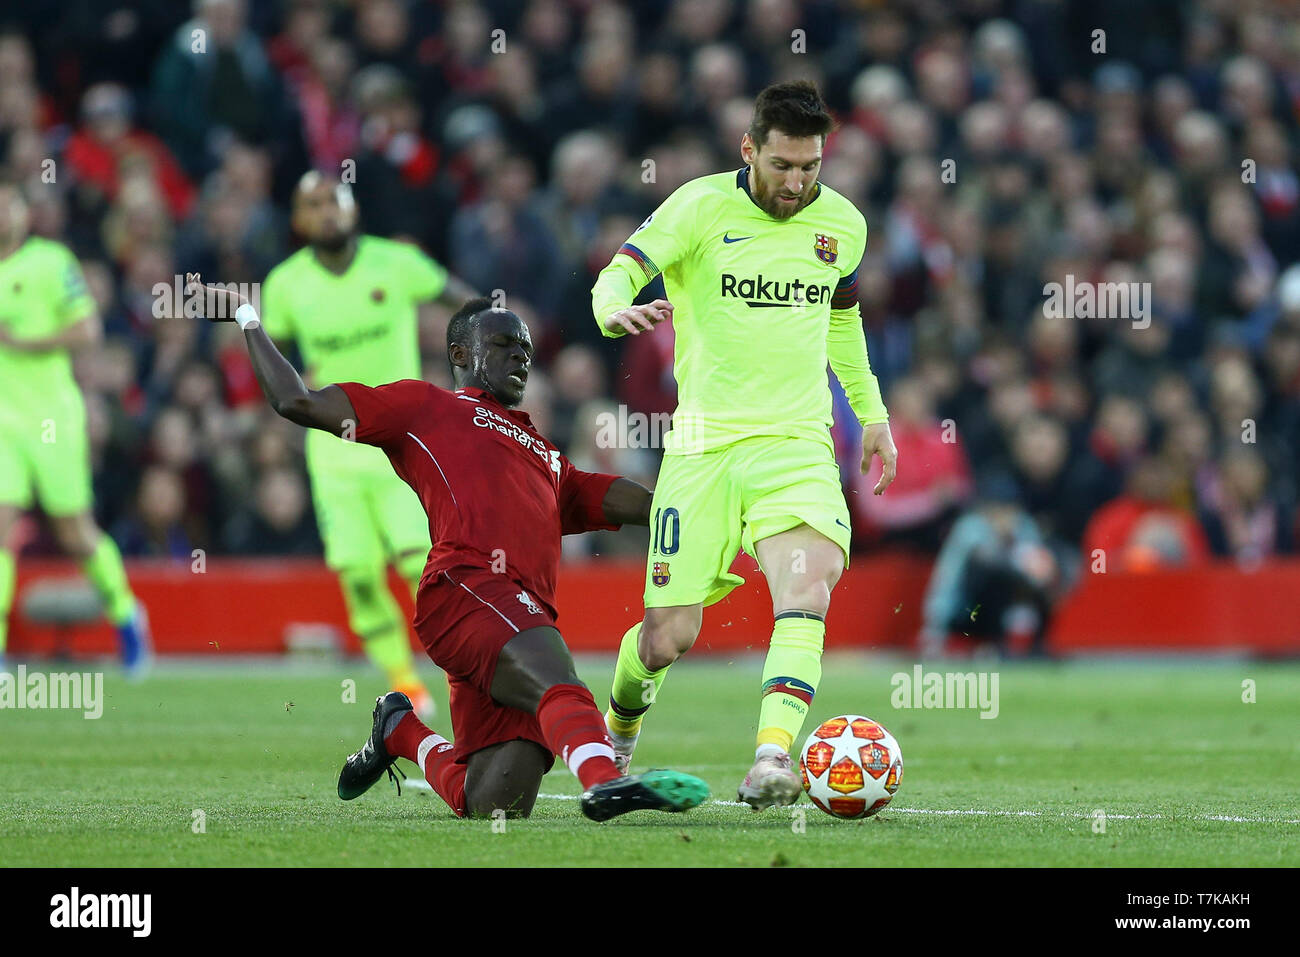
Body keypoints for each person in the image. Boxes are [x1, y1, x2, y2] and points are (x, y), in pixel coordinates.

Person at [199, 286, 708, 821]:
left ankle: (401, 730)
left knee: (492, 803)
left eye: (527, 349)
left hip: (513, 616)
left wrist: (692, 508)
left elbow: (611, 497)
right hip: (467, 588)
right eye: (506, 344)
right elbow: (295, 400)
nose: (521, 356)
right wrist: (247, 316)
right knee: (559, 682)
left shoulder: (544, 454)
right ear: (461, 355)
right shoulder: (427, 407)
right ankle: (606, 782)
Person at [590, 81, 898, 809]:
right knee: (667, 638)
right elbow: (621, 268)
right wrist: (612, 310)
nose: (797, 183)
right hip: (702, 448)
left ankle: (771, 758)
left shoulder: (842, 225)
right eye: (783, 165)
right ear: (749, 149)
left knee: (807, 584)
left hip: (795, 442)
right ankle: (616, 733)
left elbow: (842, 319)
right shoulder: (698, 207)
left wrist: (873, 412)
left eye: (811, 167)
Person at [260, 171, 478, 716]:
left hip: (398, 444)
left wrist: (477, 359)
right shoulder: (286, 284)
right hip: (331, 449)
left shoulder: (397, 263)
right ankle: (406, 681)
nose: (325, 213)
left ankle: (462, 669)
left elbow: (466, 304)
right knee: (357, 575)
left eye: (334, 201)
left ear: (353, 210)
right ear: (298, 220)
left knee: (417, 565)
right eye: (312, 205)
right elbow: (270, 355)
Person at [0, 182, 151, 674]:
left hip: (50, 417)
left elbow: (87, 330)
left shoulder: (51, 261)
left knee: (76, 533)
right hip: (3, 423)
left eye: (9, 203)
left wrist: (23, 342)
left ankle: (127, 615)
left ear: (23, 211)